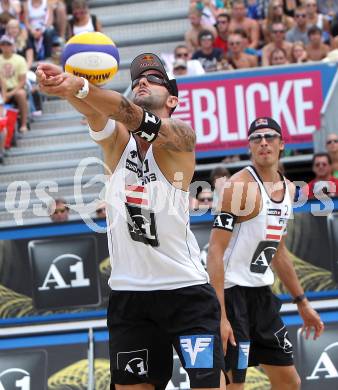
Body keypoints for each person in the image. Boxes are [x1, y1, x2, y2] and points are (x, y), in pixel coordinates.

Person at [37, 52, 226, 390]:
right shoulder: (118, 144)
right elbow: (99, 112)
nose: (142, 80)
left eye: (153, 77)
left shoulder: (181, 137)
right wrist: (64, 88)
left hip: (184, 290)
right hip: (130, 293)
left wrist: (77, 86)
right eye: (138, 76)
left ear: (173, 99)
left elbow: (124, 111)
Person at [207, 117, 324, 389]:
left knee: (289, 382)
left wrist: (302, 300)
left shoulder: (289, 189)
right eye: (256, 138)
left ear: (282, 144)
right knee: (234, 384)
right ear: (249, 147)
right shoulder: (238, 187)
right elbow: (214, 251)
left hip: (261, 296)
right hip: (233, 293)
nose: (263, 142)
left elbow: (279, 252)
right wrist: (221, 314)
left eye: (269, 137)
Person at [0, 34, 29, 133]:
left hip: (16, 88)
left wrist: (10, 93)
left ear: (12, 46)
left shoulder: (19, 59)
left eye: (8, 44)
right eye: (3, 44)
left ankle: (24, 124)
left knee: (21, 94)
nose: (5, 46)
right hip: (1, 90)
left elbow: (22, 81)